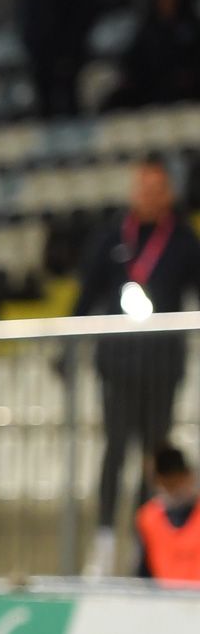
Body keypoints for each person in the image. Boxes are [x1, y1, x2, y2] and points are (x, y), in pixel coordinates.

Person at [74, 158, 200, 577]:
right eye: (143, 188)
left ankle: (143, 546)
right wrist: (64, 346)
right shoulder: (112, 236)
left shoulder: (184, 240)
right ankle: (105, 541)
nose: (149, 196)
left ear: (169, 194)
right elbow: (87, 293)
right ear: (134, 192)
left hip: (163, 367)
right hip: (117, 365)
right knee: (114, 451)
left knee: (153, 458)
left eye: (157, 188)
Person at [21, 0, 98, 117]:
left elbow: (86, 8)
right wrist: (30, 41)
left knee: (71, 103)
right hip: (40, 51)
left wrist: (71, 45)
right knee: (45, 107)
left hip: (69, 50)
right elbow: (30, 9)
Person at [103, 0, 200, 112]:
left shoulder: (189, 27)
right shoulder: (149, 28)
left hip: (184, 88)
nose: (166, 2)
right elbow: (134, 59)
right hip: (152, 87)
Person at [134, 444, 200, 584]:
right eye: (168, 485)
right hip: (162, 596)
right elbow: (144, 571)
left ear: (188, 476)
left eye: (177, 483)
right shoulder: (148, 518)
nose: (174, 490)